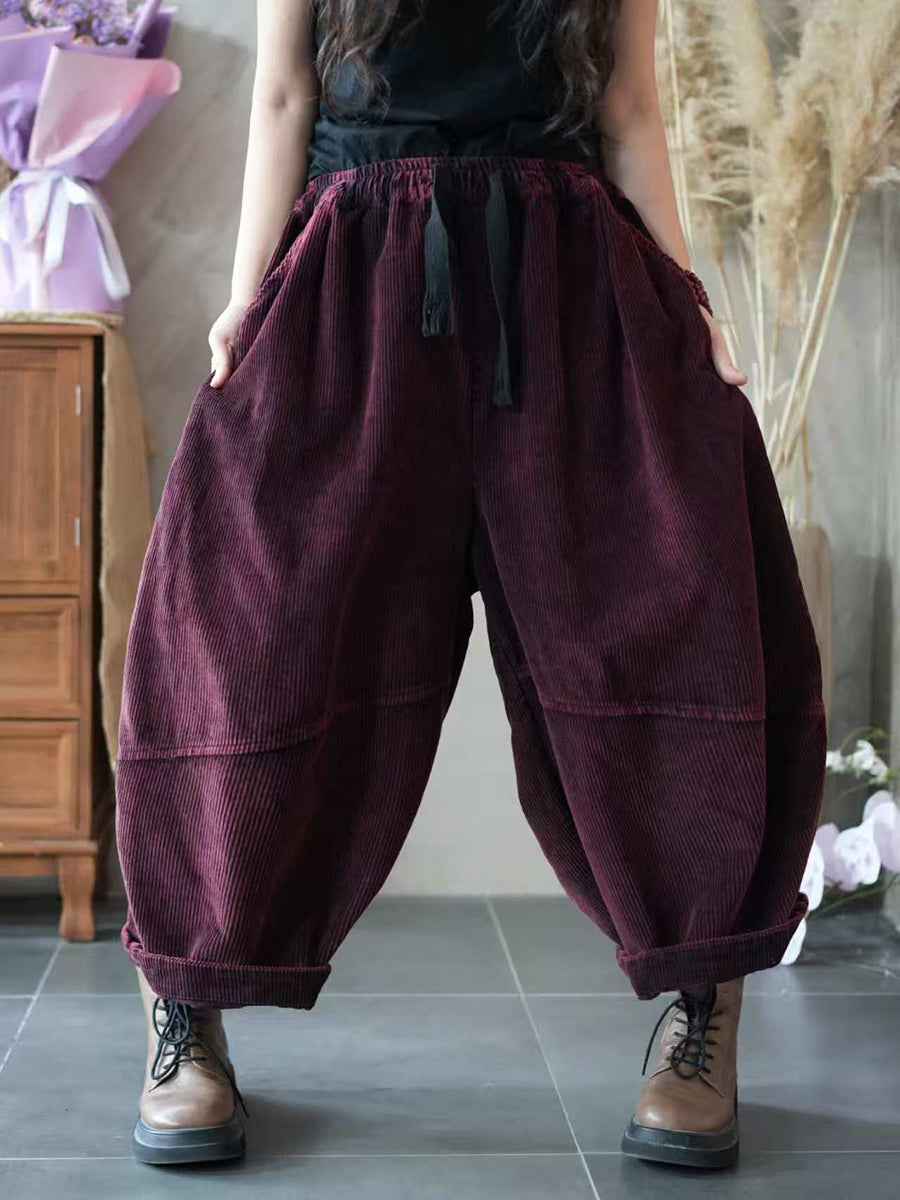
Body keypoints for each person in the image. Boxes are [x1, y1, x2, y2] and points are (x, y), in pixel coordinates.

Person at [115, 0, 826, 1172]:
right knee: (242, 635)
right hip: (352, 275)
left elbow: (628, 107)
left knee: (670, 618)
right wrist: (248, 298)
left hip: (570, 282)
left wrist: (688, 294)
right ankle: (185, 1008)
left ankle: (703, 1008)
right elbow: (285, 94)